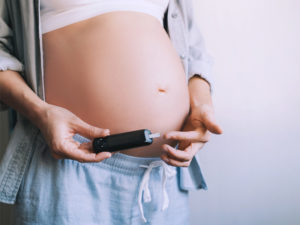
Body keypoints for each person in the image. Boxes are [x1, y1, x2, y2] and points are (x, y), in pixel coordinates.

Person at [0, 0, 223, 224]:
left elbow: (193, 49)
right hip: (66, 170)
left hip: (163, 176)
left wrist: (201, 105)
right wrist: (41, 113)